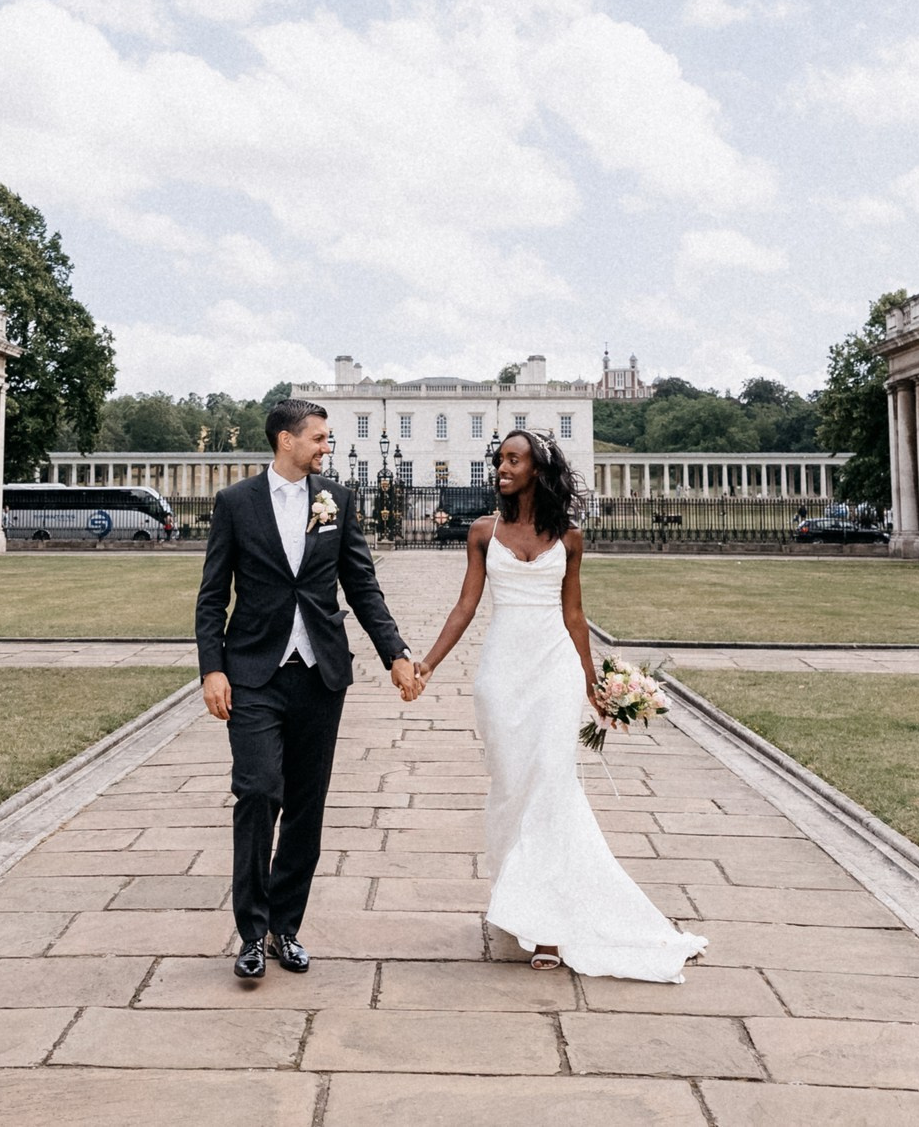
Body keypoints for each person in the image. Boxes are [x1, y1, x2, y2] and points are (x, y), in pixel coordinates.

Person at [408, 428, 707, 980]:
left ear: (537, 470)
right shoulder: (482, 531)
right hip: (501, 674)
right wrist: (426, 664)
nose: (502, 466)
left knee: (551, 783)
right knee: (511, 789)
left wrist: (594, 684)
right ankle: (517, 895)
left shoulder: (570, 537)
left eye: (513, 459)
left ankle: (547, 924)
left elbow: (575, 615)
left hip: (554, 672)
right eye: (499, 459)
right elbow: (464, 608)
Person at [196, 397, 422, 983]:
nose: (327, 447)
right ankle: (249, 931)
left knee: (305, 806)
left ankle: (284, 927)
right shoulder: (235, 504)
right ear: (285, 441)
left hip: (320, 675)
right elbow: (212, 595)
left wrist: (395, 654)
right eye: (319, 438)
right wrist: (212, 668)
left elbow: (362, 585)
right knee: (257, 792)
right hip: (252, 673)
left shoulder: (337, 501)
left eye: (327, 438)